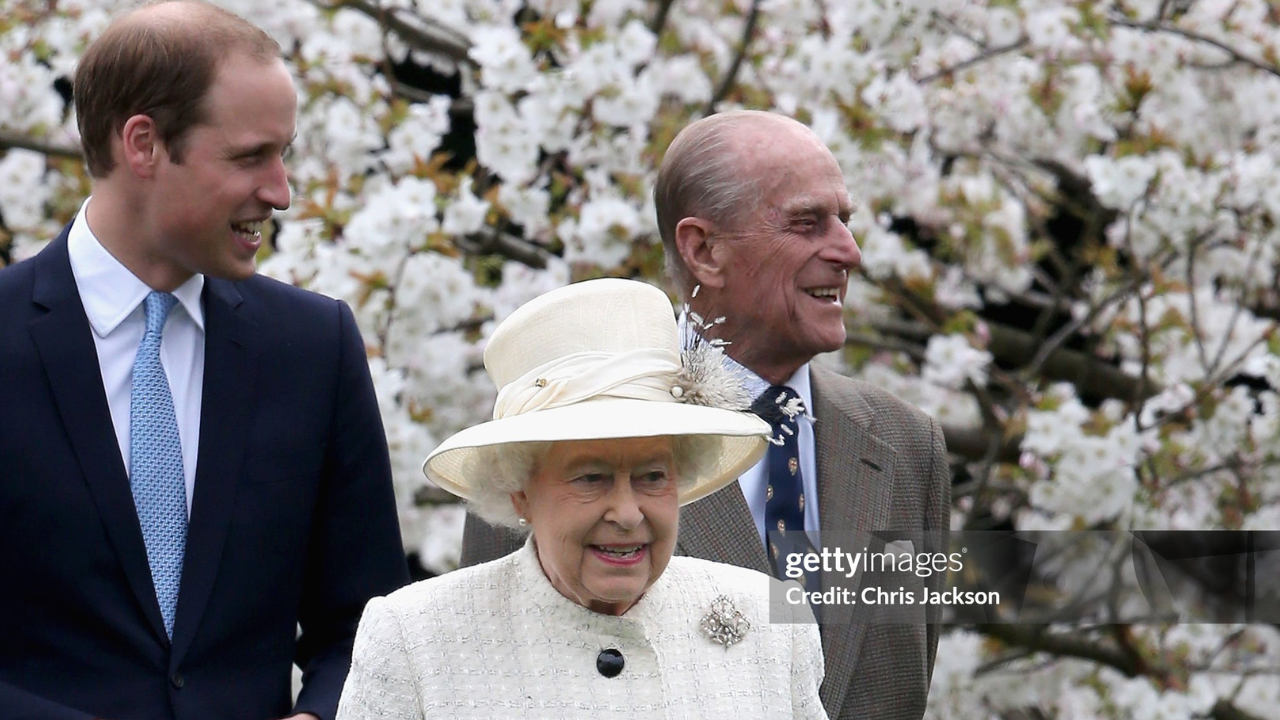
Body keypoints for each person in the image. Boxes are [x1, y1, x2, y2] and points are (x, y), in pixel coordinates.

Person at [460, 110, 951, 720]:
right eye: (807, 223)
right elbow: (485, 674)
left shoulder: (906, 444)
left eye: (844, 222)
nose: (848, 251)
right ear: (704, 250)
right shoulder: (556, 430)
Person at [0, 3, 408, 719]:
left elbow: (372, 626)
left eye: (285, 155)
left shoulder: (315, 348)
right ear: (144, 145)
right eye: (251, 156)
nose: (281, 193)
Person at [337, 278, 827, 719]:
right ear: (520, 491)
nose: (628, 513)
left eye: (653, 476)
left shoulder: (772, 617)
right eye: (590, 478)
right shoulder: (414, 637)